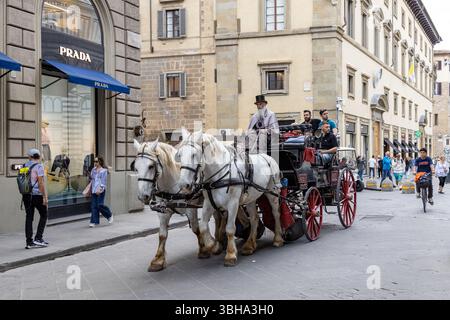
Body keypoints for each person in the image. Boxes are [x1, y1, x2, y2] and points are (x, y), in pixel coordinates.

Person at [23, 149, 49, 249]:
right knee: (44, 214)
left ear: (30, 156)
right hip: (37, 195)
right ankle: (38, 238)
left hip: (26, 195)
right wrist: (44, 197)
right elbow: (41, 183)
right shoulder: (39, 166)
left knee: (29, 217)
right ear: (38, 156)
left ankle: (29, 242)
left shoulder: (25, 165)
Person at [89, 156, 113, 228]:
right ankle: (93, 221)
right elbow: (92, 179)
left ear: (100, 162)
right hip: (94, 190)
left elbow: (103, 182)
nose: (95, 163)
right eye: (94, 162)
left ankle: (109, 215)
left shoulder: (104, 171)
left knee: (99, 205)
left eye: (96, 161)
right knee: (94, 206)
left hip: (100, 190)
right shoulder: (93, 170)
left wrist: (100, 190)